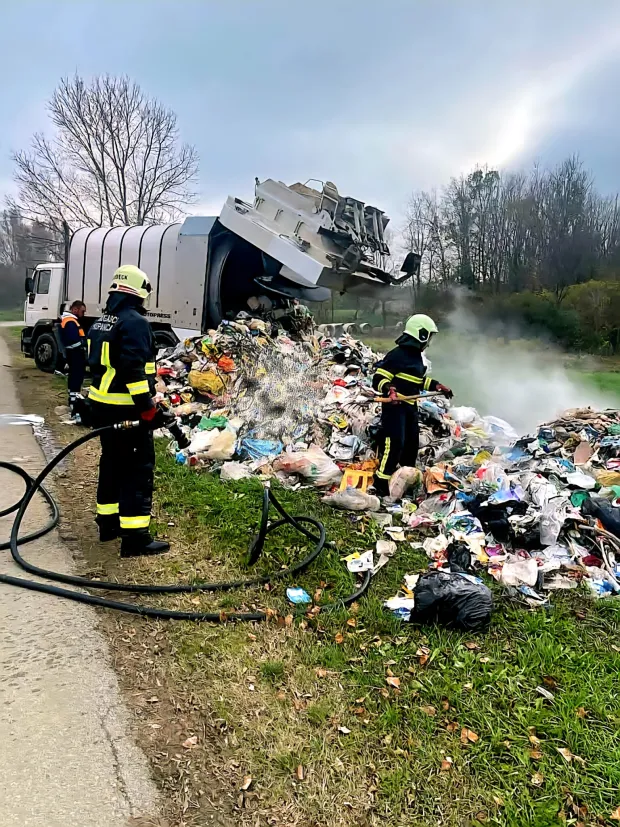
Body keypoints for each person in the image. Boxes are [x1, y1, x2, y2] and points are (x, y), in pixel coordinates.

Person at [87, 265, 174, 557]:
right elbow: (132, 370)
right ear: (140, 291)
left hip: (102, 405)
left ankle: (108, 525)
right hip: (126, 409)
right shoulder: (135, 322)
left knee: (111, 464)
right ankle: (135, 538)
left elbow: (110, 364)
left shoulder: (103, 321)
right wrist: (148, 409)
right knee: (138, 469)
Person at [372, 314, 453, 497]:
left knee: (411, 444)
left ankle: (405, 479)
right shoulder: (396, 355)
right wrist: (389, 390)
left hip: (409, 407)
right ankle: (381, 482)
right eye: (429, 336)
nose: (429, 342)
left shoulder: (417, 358)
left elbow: (417, 381)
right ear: (421, 334)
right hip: (394, 406)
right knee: (394, 443)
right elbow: (378, 378)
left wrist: (437, 386)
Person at [59, 300, 87, 412]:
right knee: (77, 376)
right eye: (82, 311)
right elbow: (72, 340)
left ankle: (73, 398)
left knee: (74, 376)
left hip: (74, 353)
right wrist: (84, 344)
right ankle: (73, 401)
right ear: (75, 309)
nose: (83, 314)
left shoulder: (69, 320)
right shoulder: (70, 322)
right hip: (75, 353)